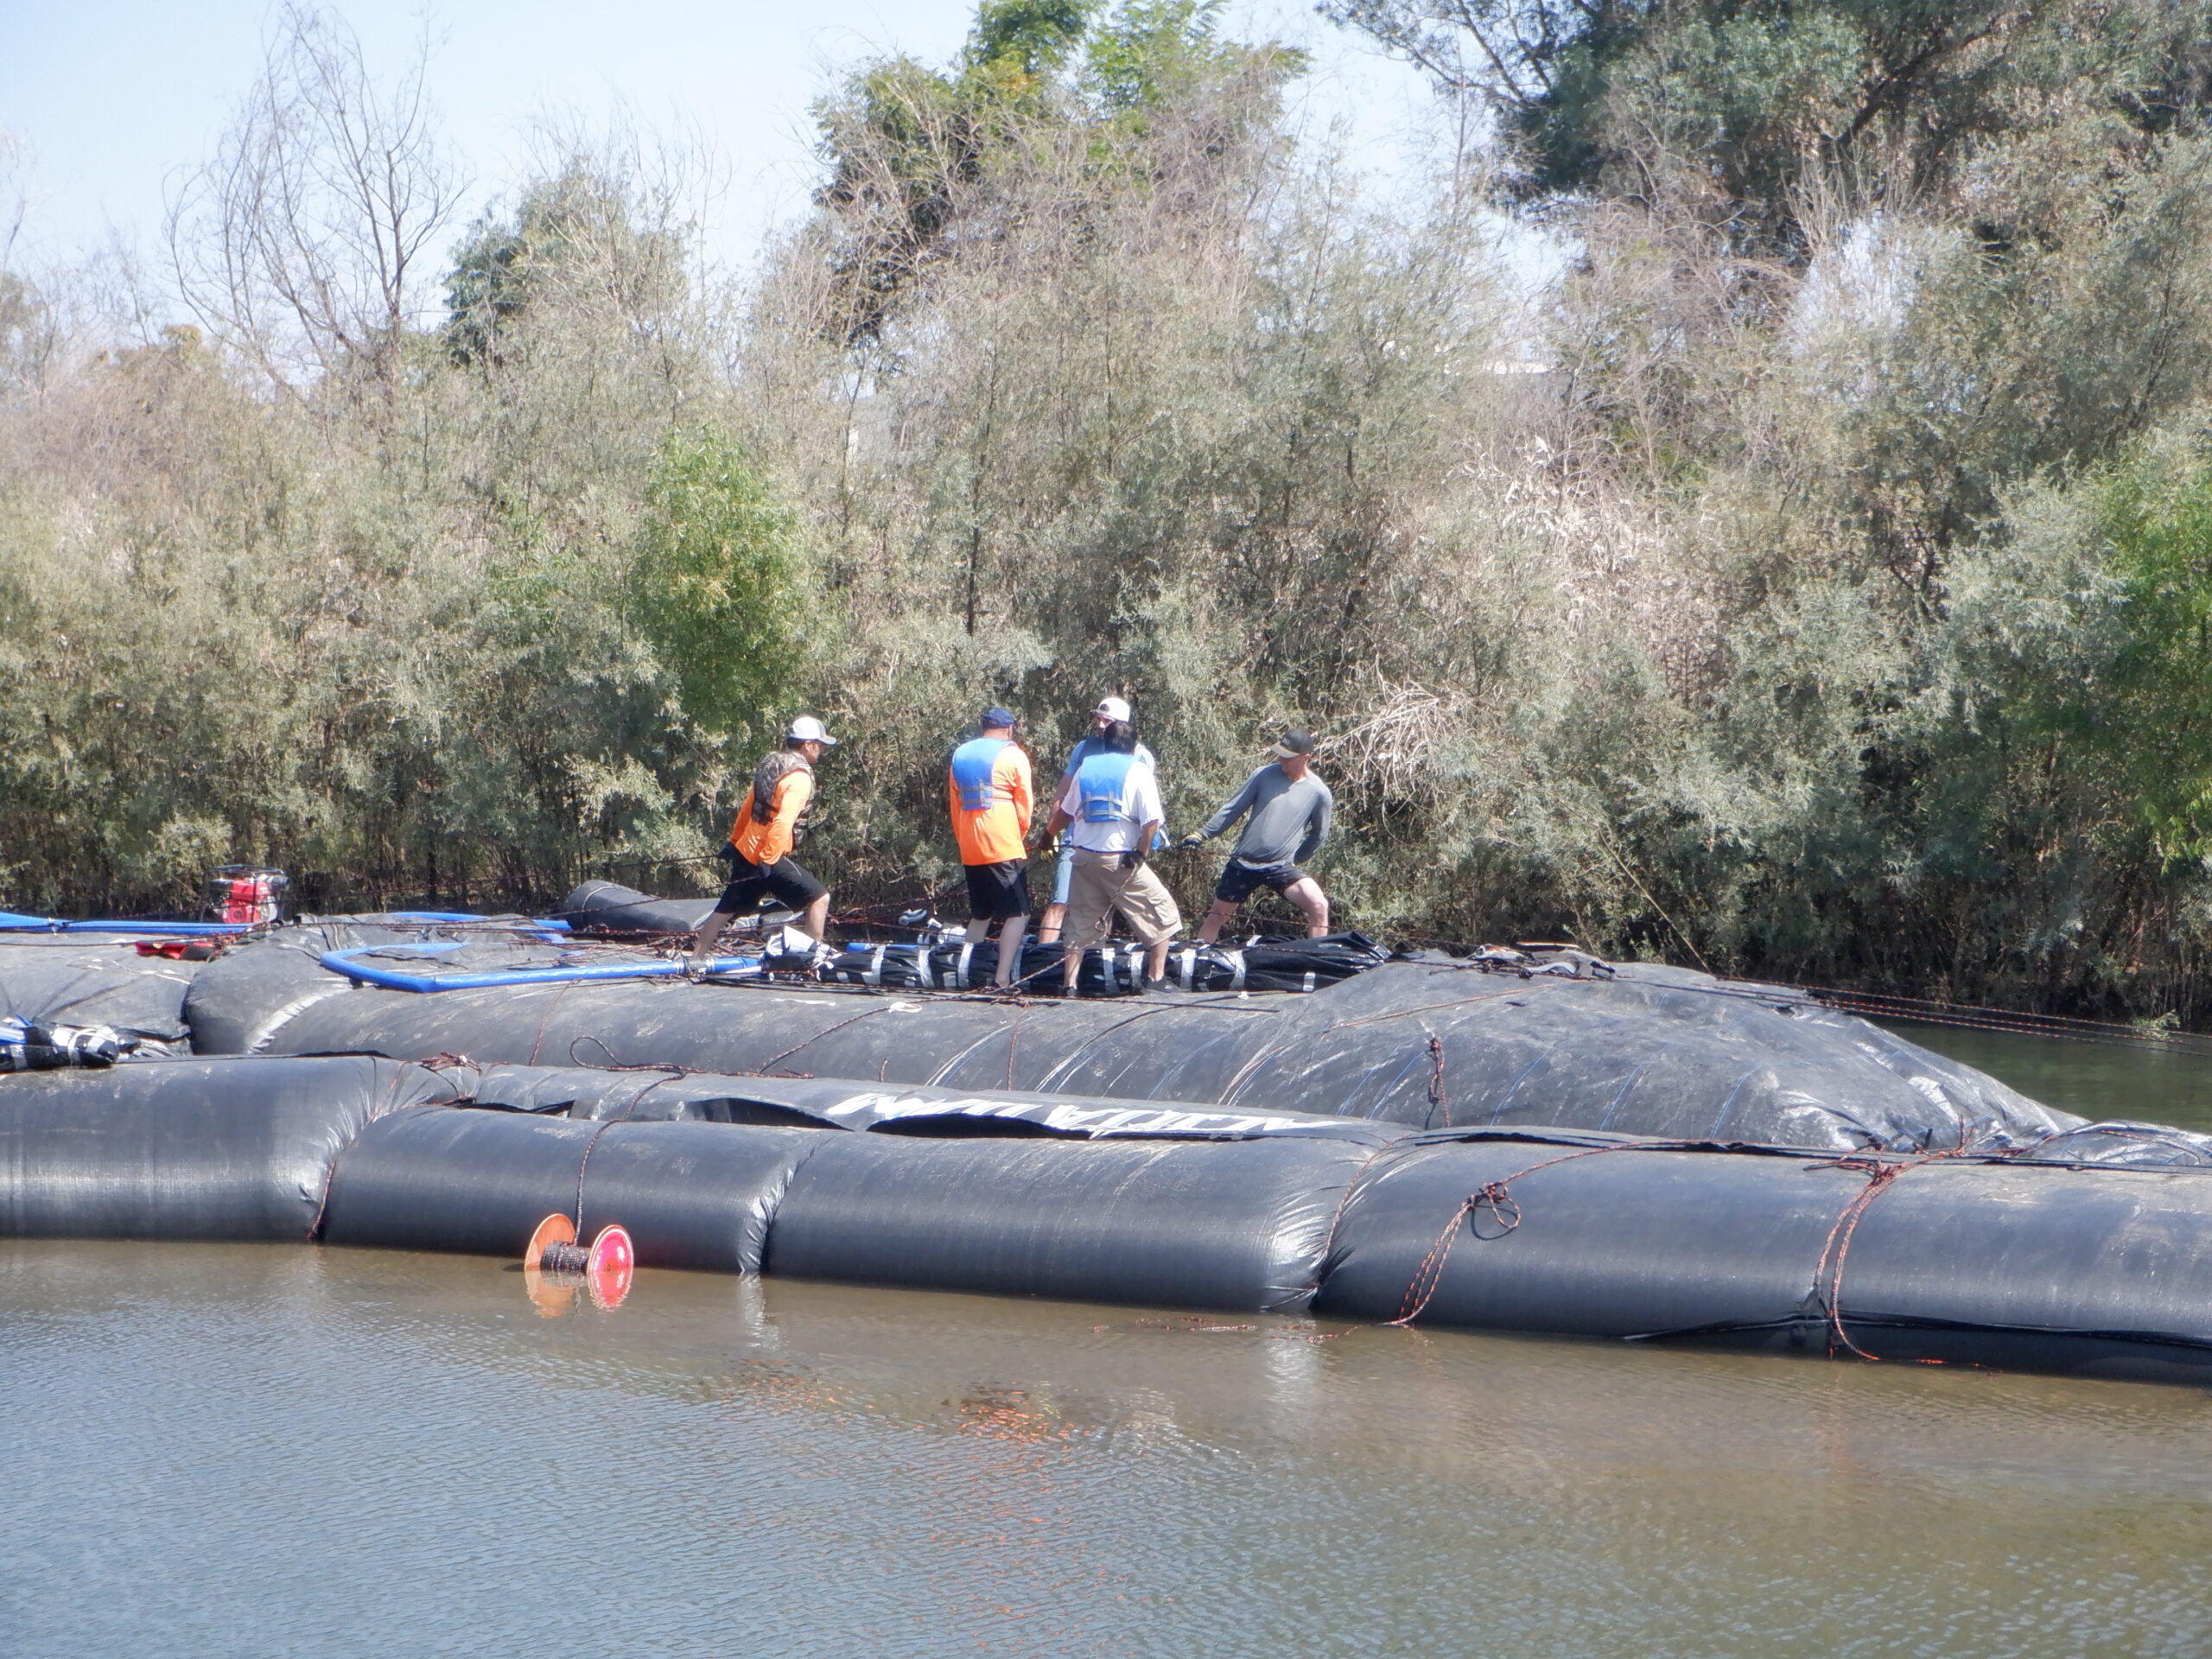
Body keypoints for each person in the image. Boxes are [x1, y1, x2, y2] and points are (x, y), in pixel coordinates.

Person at [1044, 718, 1181, 994]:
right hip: (1119, 859)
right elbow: (1151, 822)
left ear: (1105, 746)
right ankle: (1156, 979)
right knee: (1163, 912)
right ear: (1133, 748)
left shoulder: (1085, 769)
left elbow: (1065, 814)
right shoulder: (1139, 770)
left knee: (1081, 921)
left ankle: (1069, 986)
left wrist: (1047, 835)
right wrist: (1140, 853)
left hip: (1083, 857)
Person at [690, 716, 836, 969]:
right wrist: (769, 859)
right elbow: (783, 821)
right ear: (808, 745)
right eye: (820, 745)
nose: (821, 751)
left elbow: (749, 806)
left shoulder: (771, 763)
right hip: (767, 854)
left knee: (726, 908)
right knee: (819, 898)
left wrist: (734, 841)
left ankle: (695, 960)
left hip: (746, 848)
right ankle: (813, 960)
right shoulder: (799, 777)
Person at [1179, 729, 1333, 944]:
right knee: (1216, 916)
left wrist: (1296, 859)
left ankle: (1316, 962)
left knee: (1319, 905)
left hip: (1280, 866)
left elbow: (1319, 834)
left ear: (1305, 758)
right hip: (1244, 863)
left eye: (1287, 756)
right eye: (1280, 753)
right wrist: (1201, 834)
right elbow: (1232, 809)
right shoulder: (1264, 775)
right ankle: (1197, 961)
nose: (1281, 759)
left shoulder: (1319, 792)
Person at [1037, 695, 1155, 944]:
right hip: (1076, 840)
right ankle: (1042, 958)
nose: (1100, 725)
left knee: (1103, 909)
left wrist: (1141, 849)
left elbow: (1144, 809)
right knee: (1060, 902)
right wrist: (1053, 831)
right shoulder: (1083, 749)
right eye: (1098, 719)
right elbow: (1063, 793)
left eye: (1107, 720)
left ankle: (1094, 962)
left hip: (1117, 846)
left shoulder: (1141, 757)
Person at [948, 705, 1033, 988]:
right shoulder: (1013, 755)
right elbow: (1024, 803)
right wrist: (1020, 834)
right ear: (1009, 729)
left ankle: (967, 973)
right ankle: (1001, 978)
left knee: (981, 913)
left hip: (970, 845)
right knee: (1019, 913)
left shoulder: (960, 755)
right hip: (1002, 843)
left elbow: (955, 805)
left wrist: (964, 840)